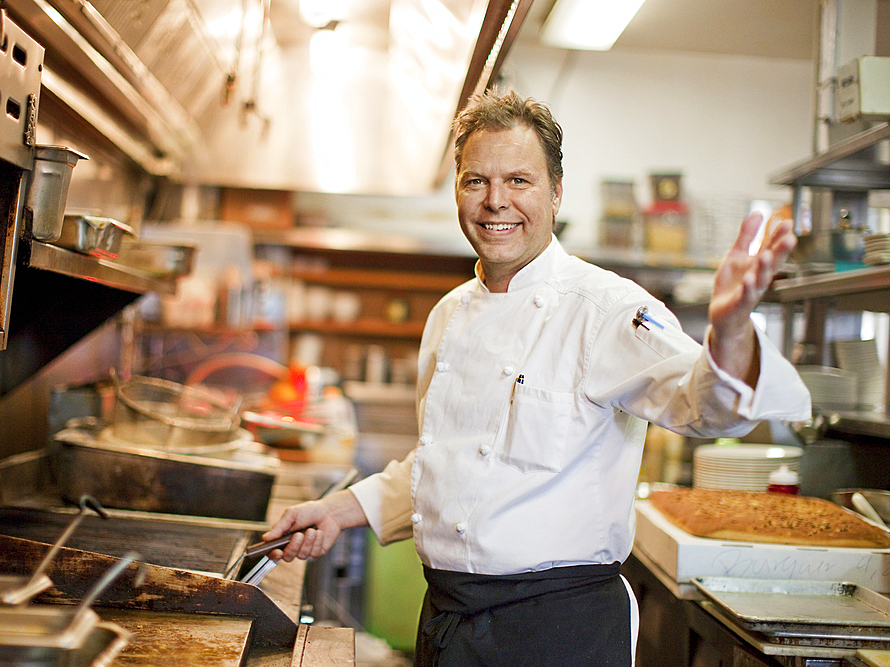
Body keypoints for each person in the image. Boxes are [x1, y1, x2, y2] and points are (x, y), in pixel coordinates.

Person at [261, 87, 811, 666]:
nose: (496, 201)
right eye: (476, 181)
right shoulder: (448, 314)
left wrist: (727, 335)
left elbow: (704, 407)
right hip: (450, 621)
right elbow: (449, 464)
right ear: (458, 191)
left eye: (518, 181)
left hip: (557, 632)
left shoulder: (606, 309)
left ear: (555, 193)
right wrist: (341, 508)